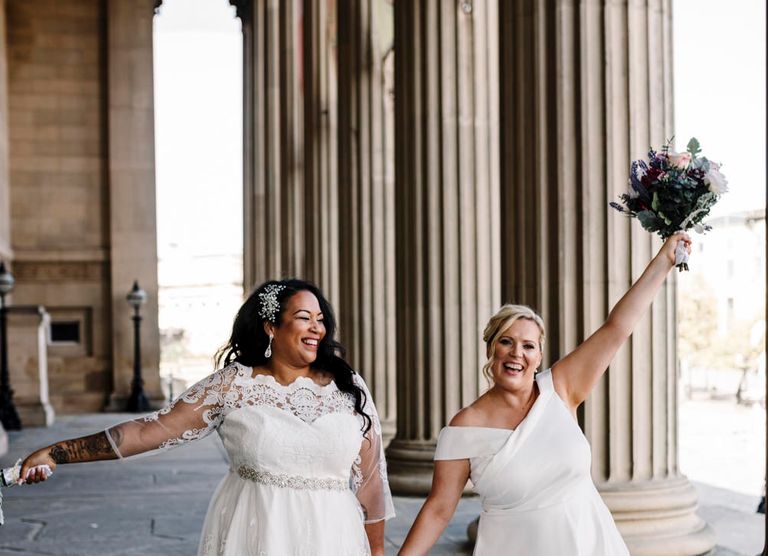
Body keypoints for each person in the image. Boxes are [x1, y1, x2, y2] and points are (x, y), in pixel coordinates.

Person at [20, 278, 395, 556]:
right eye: (303, 318)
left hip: (336, 537)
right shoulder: (233, 385)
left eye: (320, 319)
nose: (318, 328)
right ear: (271, 327)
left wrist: (377, 553)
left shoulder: (349, 386)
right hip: (257, 534)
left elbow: (371, 484)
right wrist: (58, 452)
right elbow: (149, 431)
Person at [398, 233, 692, 556]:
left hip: (590, 545)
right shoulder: (464, 426)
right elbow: (438, 510)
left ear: (539, 356)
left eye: (528, 346)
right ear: (490, 349)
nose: (516, 354)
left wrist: (664, 262)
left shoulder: (561, 389)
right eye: (506, 341)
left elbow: (617, 328)